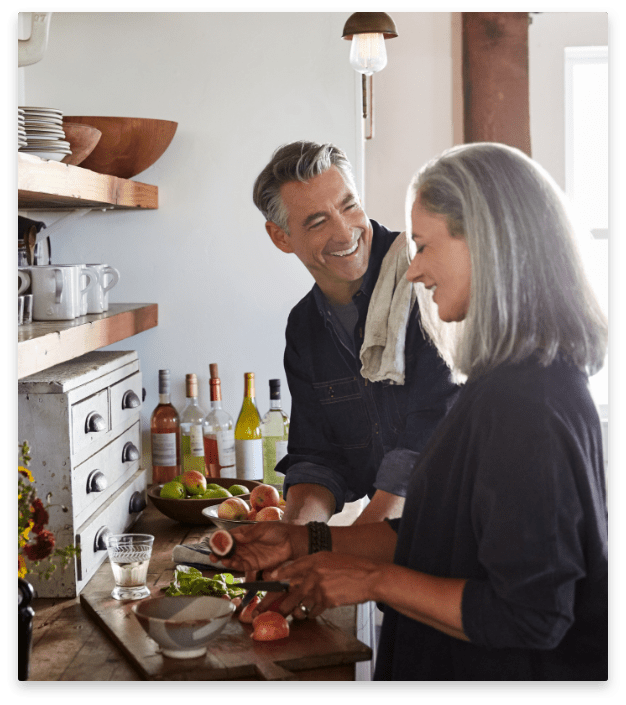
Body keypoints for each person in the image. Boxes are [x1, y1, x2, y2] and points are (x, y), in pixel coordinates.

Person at [218, 143, 608, 680]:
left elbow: (533, 616)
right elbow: (435, 532)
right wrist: (304, 539)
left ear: (489, 245)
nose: (413, 268)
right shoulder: (502, 380)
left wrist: (370, 579)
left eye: (423, 245)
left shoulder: (529, 402)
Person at [252, 141, 459, 524]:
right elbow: (317, 457)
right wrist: (293, 537)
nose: (345, 232)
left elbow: (432, 435)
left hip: (463, 527)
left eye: (349, 206)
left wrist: (345, 547)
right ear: (281, 237)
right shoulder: (304, 327)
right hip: (389, 541)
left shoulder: (423, 279)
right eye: (317, 222)